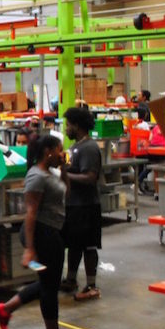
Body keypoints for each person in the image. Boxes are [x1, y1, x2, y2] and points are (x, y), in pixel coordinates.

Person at [0, 134, 84, 329]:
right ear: (48, 151)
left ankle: (5, 310)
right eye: (60, 150)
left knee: (47, 282)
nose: (62, 154)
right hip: (41, 233)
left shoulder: (52, 172)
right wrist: (30, 249)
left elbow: (66, 194)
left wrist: (65, 169)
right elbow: (30, 213)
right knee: (50, 286)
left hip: (51, 231)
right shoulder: (36, 177)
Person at [61, 106, 103, 301]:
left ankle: (92, 285)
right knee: (74, 244)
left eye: (68, 125)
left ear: (77, 126)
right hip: (73, 204)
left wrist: (64, 175)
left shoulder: (89, 148)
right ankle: (71, 279)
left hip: (86, 206)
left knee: (88, 246)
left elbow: (90, 177)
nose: (66, 129)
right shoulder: (76, 146)